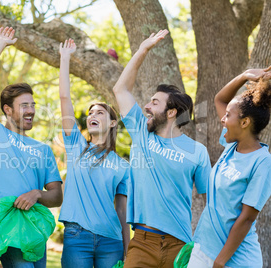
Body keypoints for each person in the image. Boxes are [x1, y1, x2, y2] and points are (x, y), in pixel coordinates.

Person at [112, 30, 211, 268]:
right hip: (143, 243)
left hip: (180, 246)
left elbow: (211, 202)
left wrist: (202, 246)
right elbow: (120, 90)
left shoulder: (197, 151)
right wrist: (142, 49)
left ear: (171, 112)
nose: (146, 106)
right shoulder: (142, 135)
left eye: (154, 103)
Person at [0, 26, 63, 268]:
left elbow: (56, 195)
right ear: (7, 110)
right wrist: (0, 43)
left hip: (33, 228)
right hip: (2, 224)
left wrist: (37, 194)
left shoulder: (42, 149)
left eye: (32, 104)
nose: (31, 110)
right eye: (24, 105)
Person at [187, 67, 271, 268]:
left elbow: (247, 217)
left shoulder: (262, 162)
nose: (222, 120)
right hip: (203, 249)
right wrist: (244, 76)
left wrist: (220, 261)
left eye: (228, 116)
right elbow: (220, 100)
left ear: (244, 122)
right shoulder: (231, 146)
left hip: (235, 260)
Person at [58, 39, 130, 268]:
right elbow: (64, 99)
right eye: (90, 113)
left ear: (111, 123)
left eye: (99, 112)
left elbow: (122, 211)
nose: (92, 115)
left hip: (112, 241)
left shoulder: (123, 166)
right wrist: (65, 58)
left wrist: (127, 250)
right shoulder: (76, 146)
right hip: (77, 238)